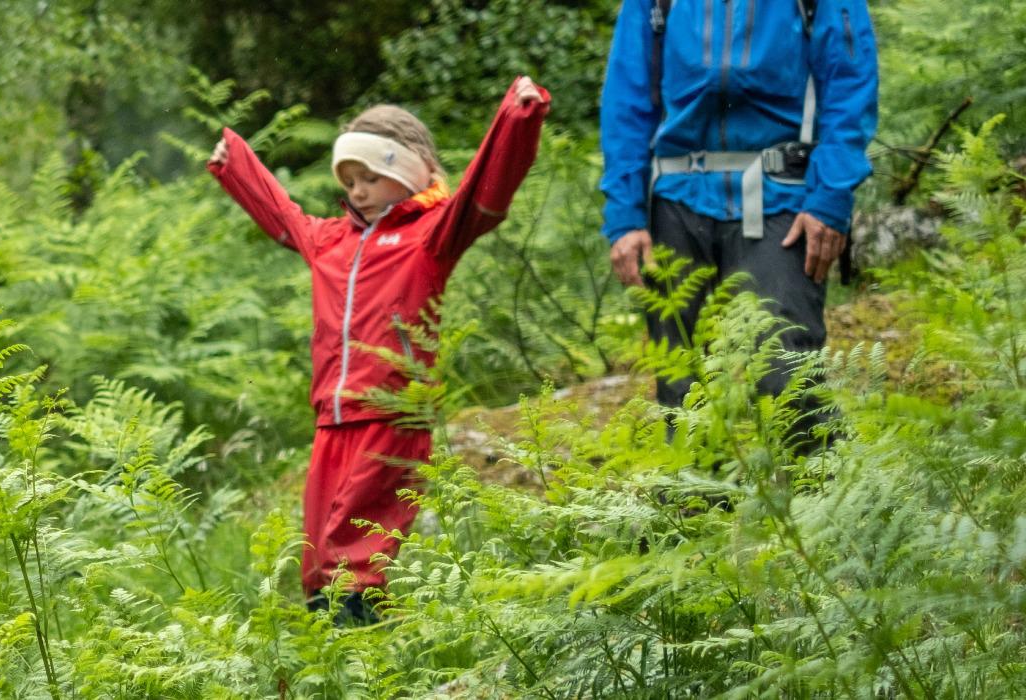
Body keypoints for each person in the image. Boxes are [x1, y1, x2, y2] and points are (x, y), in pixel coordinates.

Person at [208, 77, 548, 623]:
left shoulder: (431, 236)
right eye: (350, 179)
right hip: (332, 417)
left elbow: (485, 191)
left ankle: (362, 643)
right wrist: (236, 165)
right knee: (318, 552)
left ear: (406, 176)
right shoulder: (330, 241)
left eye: (371, 177)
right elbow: (284, 217)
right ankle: (336, 654)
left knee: (357, 548)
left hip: (392, 413)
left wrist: (518, 117)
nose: (358, 190)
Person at [598, 0, 877, 446]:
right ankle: (692, 511)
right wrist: (625, 215)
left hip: (782, 195)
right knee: (681, 389)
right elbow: (626, 102)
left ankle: (827, 503)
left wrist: (829, 199)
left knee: (785, 370)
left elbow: (849, 88)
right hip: (673, 198)